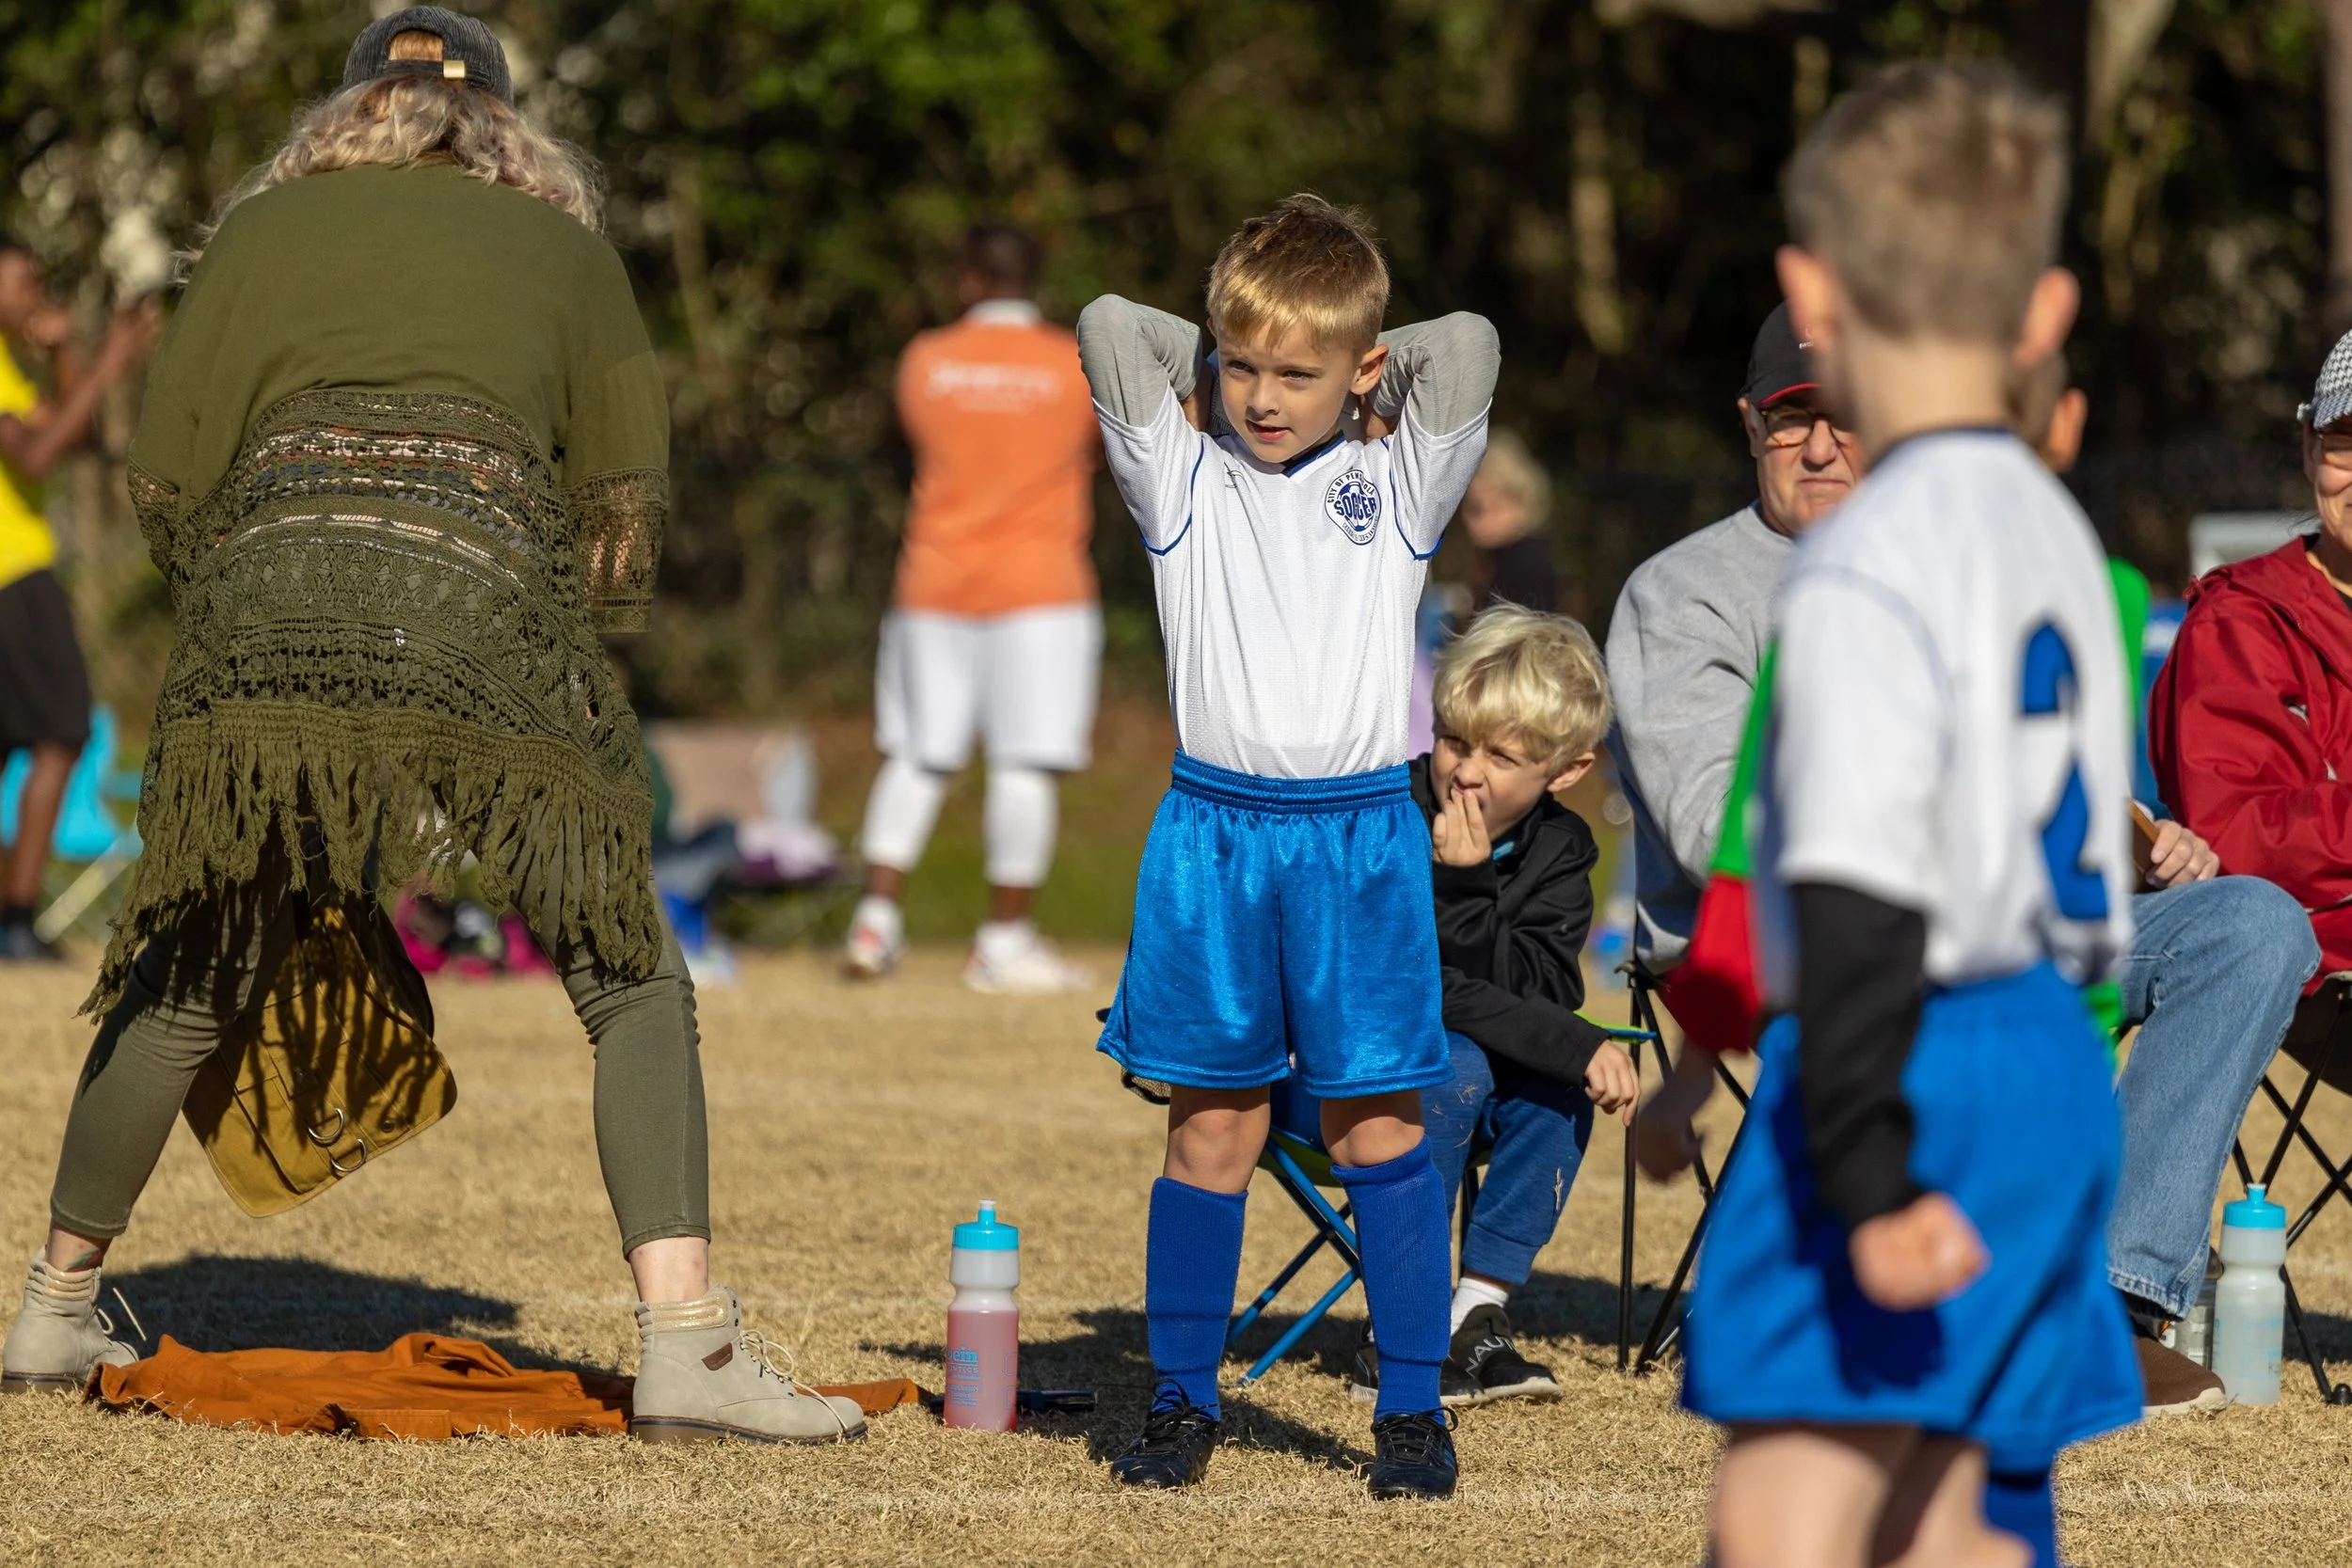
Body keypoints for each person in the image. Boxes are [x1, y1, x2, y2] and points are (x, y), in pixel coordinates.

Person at [0, 9, 867, 1446]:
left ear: (347, 117)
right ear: (510, 129)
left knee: (194, 959)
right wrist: (558, 656)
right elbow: (621, 518)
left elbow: (162, 475)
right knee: (625, 965)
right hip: (485, 603)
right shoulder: (573, 254)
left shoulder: (266, 238)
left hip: (267, 603)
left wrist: (260, 592)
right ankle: (688, 1347)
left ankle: (50, 1300)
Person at [1612, 321, 2312, 1433]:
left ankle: (2108, 1295)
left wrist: (2130, 835)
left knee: (2252, 925)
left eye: (1852, 417)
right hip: (1790, 939)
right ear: (1750, 426)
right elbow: (1715, 829)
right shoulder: (1684, 592)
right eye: (1794, 415)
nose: (1824, 445)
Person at [1633, 63, 2141, 1566]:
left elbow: (1842, 886)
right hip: (2051, 1052)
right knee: (1966, 1500)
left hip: (1894, 1055)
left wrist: (1862, 1165)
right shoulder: (2067, 545)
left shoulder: (1859, 568)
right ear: (2043, 316)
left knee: (1786, 1505)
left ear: (1816, 295)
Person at [1078, 195, 1497, 1499]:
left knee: (1380, 1127)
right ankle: (1182, 1394)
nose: (1263, 394)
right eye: (1242, 363)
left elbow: (1470, 341)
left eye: (1298, 371)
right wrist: (1223, 349)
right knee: (1214, 1126)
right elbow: (1104, 324)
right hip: (1214, 837)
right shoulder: (1179, 470)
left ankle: (1413, 1407)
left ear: (1367, 370)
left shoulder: (1401, 473)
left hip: (1361, 843)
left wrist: (1363, 355)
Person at [1346, 604, 1637, 1408]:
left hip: (1461, 1070)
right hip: (1346, 1071)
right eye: (1453, 740)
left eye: (1502, 756)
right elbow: (1421, 987)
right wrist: (1463, 884)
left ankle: (1476, 1309)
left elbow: (1539, 992)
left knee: (1552, 1082)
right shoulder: (1385, 815)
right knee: (1459, 1058)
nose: (1465, 772)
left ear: (1567, 771)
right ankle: (1399, 1321)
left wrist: (1566, 1046)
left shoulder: (1562, 851)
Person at [842, 224, 1101, 993]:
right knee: (1024, 763)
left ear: (966, 280)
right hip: (1042, 587)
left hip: (934, 583)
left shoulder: (926, 360)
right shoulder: (1073, 366)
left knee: (918, 755)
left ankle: (875, 920)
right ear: (1036, 278)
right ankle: (1004, 939)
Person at [2152, 326, 2352, 993]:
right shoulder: (2241, 621)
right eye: (2346, 443)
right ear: (2307, 449)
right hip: (2319, 962)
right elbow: (2237, 836)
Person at [0, 239, 157, 961]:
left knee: (20, 742)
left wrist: (67, 357)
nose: (39, 294)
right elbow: (33, 457)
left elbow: (76, 437)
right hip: (15, 576)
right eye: (26, 281)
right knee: (63, 730)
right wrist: (108, 362)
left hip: (20, 573)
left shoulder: (12, 367)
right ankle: (17, 918)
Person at [1457, 430, 1556, 613]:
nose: (1466, 518)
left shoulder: (1526, 568)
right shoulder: (1496, 561)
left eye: (1478, 509)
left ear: (1518, 502)